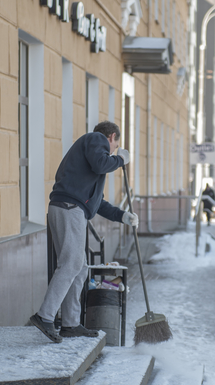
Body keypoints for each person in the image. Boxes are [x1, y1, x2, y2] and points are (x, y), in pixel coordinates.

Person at [30, 121, 138, 343]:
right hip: (70, 209)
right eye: (116, 145)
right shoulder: (95, 139)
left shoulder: (86, 169)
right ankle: (45, 316)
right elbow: (102, 163)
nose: (114, 150)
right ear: (111, 137)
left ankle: (70, 324)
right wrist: (120, 160)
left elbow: (97, 204)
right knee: (71, 264)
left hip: (69, 208)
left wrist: (123, 216)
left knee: (80, 268)